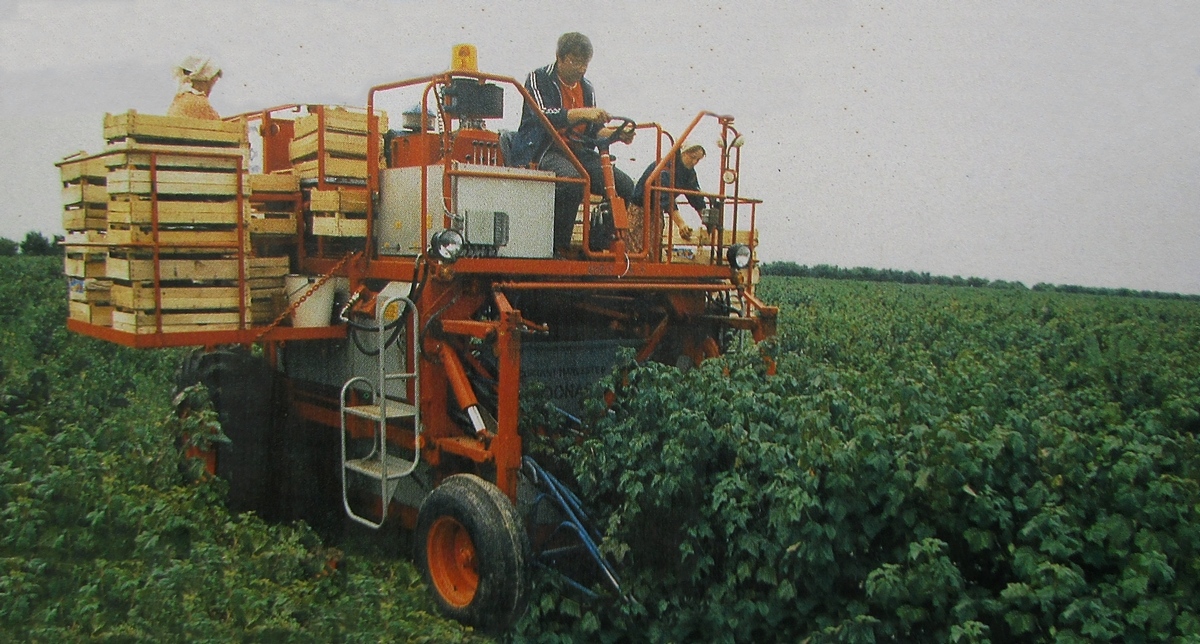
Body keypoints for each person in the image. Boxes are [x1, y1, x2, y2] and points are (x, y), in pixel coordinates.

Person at [509, 32, 636, 254]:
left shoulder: (586, 88)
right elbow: (544, 115)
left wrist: (617, 133)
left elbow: (595, 131)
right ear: (560, 57)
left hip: (578, 151)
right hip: (545, 149)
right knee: (573, 180)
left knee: (624, 186)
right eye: (575, 61)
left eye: (585, 63)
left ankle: (598, 248)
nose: (581, 68)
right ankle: (556, 248)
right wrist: (583, 113)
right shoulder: (538, 78)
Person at [633, 143, 714, 243]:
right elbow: (665, 197)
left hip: (656, 211)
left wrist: (709, 225)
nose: (694, 162)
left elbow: (695, 196)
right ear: (683, 153)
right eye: (692, 157)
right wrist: (681, 224)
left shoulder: (689, 172)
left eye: (698, 159)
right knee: (641, 244)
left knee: (654, 245)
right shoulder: (665, 167)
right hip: (640, 210)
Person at [168, 56, 222, 120]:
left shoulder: (181, 98)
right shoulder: (197, 102)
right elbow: (217, 125)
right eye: (213, 83)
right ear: (206, 80)